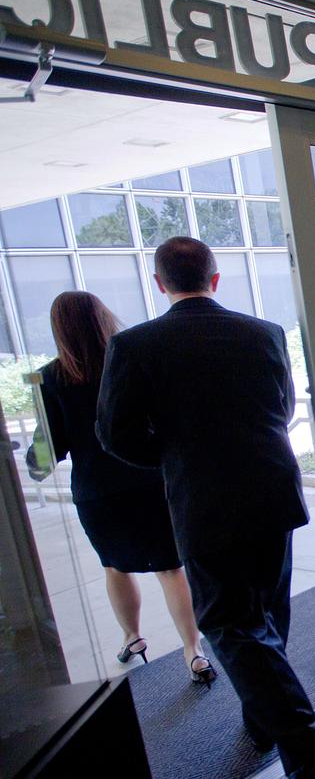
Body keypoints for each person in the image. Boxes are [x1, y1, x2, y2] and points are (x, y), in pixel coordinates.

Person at [97, 236, 315, 779]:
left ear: (159, 283)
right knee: (267, 613)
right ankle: (264, 719)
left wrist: (174, 455)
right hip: (273, 489)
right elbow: (284, 407)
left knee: (228, 623)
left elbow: (114, 433)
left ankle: (303, 740)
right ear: (216, 277)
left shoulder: (134, 345)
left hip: (205, 500)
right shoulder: (264, 332)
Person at [28, 291, 214, 687]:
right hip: (149, 479)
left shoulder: (50, 377)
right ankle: (192, 650)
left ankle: (133, 637)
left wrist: (31, 463)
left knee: (114, 567)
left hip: (98, 492)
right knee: (170, 567)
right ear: (103, 318)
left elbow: (47, 450)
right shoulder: (132, 357)